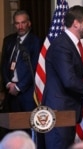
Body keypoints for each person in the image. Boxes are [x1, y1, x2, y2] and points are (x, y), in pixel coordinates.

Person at [36, 5, 83, 149]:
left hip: (66, 112)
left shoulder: (69, 44)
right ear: (76, 24)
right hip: (59, 112)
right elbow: (68, 80)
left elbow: (70, 77)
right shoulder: (62, 45)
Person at [0, 10, 42, 138]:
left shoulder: (36, 41)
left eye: (23, 23)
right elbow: (3, 64)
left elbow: (34, 68)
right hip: (10, 92)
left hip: (27, 93)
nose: (20, 26)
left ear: (29, 23)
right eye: (17, 23)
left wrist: (18, 87)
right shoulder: (8, 40)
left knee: (28, 128)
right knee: (11, 129)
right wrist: (8, 84)